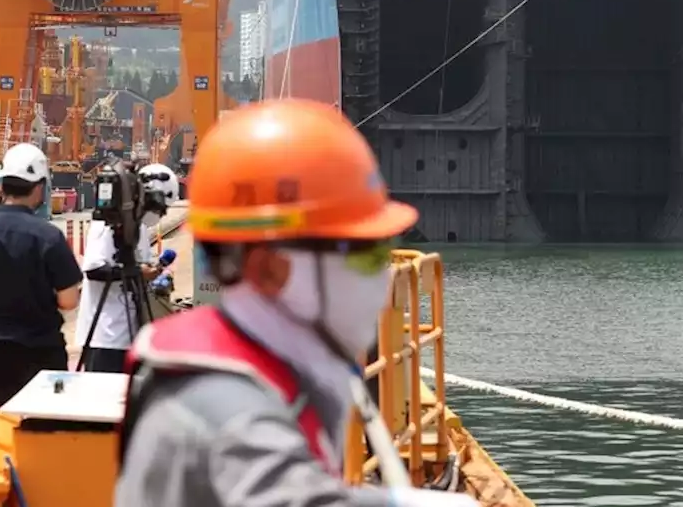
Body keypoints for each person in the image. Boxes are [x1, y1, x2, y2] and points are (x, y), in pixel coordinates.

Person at [115, 99, 477, 506]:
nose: (385, 277)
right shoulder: (218, 408)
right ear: (272, 269)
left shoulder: (274, 370)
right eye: (366, 254)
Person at [0, 143, 82, 407]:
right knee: (43, 434)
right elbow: (69, 301)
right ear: (39, 187)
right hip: (41, 360)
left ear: (2, 184)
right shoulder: (48, 236)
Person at [74, 163, 180, 373]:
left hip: (129, 334)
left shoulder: (135, 226)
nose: (160, 216)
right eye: (161, 210)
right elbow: (94, 270)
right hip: (105, 338)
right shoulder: (107, 223)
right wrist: (139, 273)